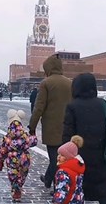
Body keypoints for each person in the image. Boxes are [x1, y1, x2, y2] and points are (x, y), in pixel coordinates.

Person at [62, 73, 106, 204]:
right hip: (102, 157)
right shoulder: (103, 104)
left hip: (80, 160)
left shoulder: (72, 106)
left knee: (79, 194)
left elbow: (67, 136)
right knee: (103, 196)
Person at [28, 54, 72, 192]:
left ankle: (58, 188)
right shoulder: (69, 82)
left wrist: (32, 126)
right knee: (64, 158)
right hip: (68, 128)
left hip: (51, 128)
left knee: (55, 159)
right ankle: (48, 179)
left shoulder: (46, 83)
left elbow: (39, 107)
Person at [0, 109, 38, 202]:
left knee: (13, 175)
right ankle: (19, 186)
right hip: (24, 159)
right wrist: (33, 134)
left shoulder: (7, 138)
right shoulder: (25, 136)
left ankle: (15, 189)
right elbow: (34, 141)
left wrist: (0, 160)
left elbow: (3, 150)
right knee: (22, 174)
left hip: (12, 158)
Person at [53, 135, 85, 204]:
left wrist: (57, 202)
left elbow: (62, 190)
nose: (59, 157)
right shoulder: (77, 168)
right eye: (59, 154)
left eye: (62, 155)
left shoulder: (63, 172)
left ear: (69, 157)